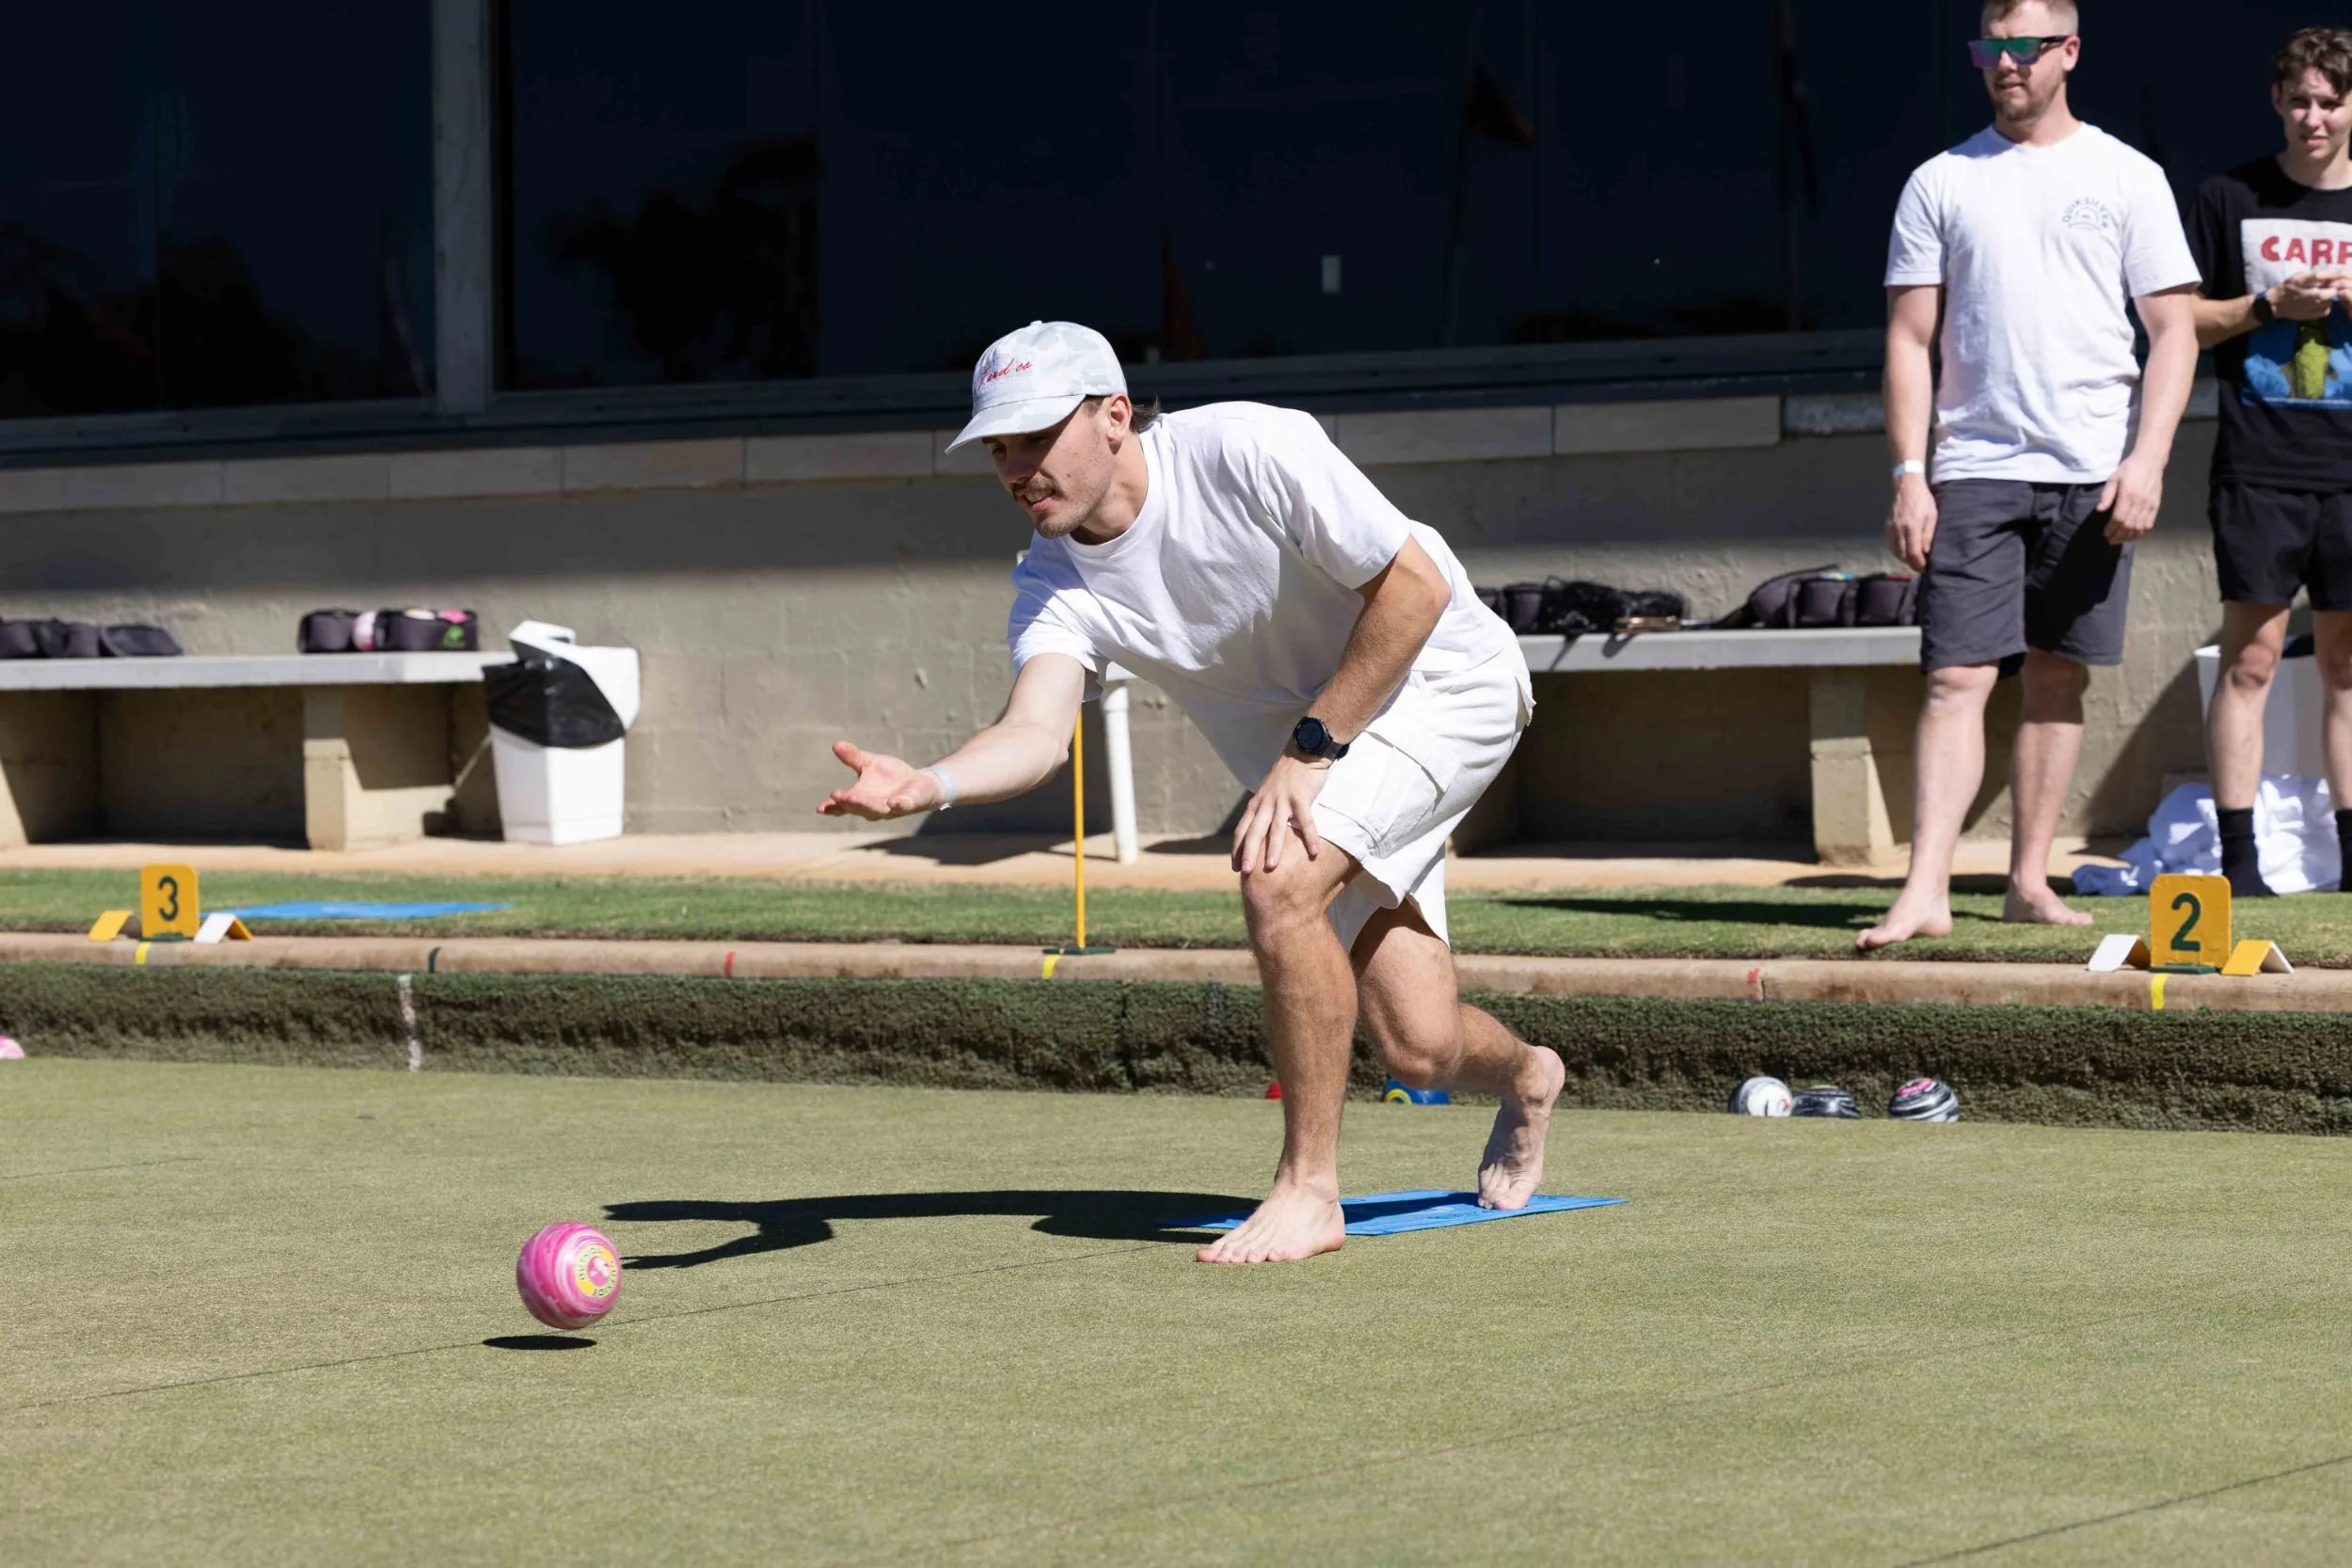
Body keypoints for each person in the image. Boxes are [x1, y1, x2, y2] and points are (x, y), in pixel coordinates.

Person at [818, 320, 1561, 1265]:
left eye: (1036, 436)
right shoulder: (1051, 579)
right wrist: (932, 781)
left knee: (1275, 878)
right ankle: (1530, 1073)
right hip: (1325, 759)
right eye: (997, 446)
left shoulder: (1247, 446)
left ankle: (1308, 1191)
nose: (1016, 466)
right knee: (1417, 1047)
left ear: (1114, 414)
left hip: (1444, 685)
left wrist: (1309, 746)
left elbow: (1411, 590)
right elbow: (1036, 731)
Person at [1861, 0, 2201, 952]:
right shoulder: (1939, 181)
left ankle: (2025, 881)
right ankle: (1924, 889)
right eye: (1989, 48)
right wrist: (1907, 472)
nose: (2004, 64)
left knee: (2057, 681)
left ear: (2069, 52)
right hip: (1972, 466)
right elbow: (1907, 338)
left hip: (2094, 472)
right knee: (1953, 677)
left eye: (2023, 47)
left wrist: (2146, 460)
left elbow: (2172, 331)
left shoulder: (2127, 176)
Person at [2187, 27, 2352, 898]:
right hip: (2258, 463)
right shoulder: (2230, 196)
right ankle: (2239, 864)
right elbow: (2182, 322)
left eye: (2330, 101)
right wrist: (2267, 303)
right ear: (2276, 101)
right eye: (2299, 100)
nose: (2313, 117)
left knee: (2347, 667)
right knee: (2248, 662)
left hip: (2350, 471)